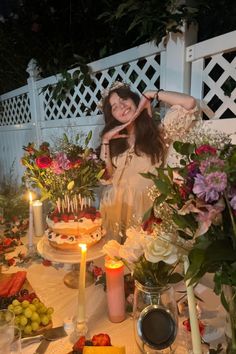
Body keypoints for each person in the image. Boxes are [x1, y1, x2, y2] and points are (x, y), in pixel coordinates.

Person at [99, 82, 198, 243]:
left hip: (146, 206)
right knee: (116, 259)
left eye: (124, 99)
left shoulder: (157, 133)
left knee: (144, 258)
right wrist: (105, 140)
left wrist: (151, 94)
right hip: (116, 206)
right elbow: (107, 175)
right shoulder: (115, 142)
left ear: (135, 100)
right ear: (112, 116)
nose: (121, 106)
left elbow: (189, 104)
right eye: (114, 107)